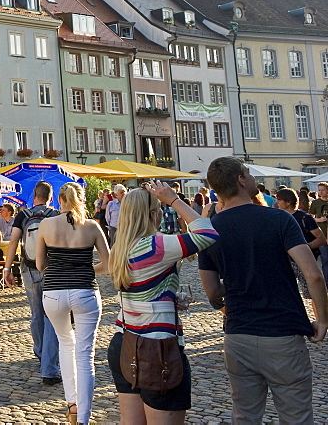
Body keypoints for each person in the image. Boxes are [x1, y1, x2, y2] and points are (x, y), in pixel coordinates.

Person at [199, 157, 327, 424]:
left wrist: (238, 285)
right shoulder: (278, 219)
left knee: (245, 415)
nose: (251, 175)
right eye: (247, 171)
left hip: (238, 333)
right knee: (296, 416)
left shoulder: (210, 230)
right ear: (241, 180)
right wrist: (324, 319)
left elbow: (211, 292)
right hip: (282, 334)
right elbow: (313, 274)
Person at [108, 181, 218, 423]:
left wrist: (166, 297)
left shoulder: (120, 248)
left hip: (124, 339)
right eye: (159, 208)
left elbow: (139, 288)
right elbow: (207, 234)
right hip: (157, 347)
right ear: (153, 214)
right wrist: (175, 200)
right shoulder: (156, 245)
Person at [35, 183, 109, 425]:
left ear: (59, 199)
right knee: (85, 354)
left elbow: (40, 265)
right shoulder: (92, 227)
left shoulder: (46, 224)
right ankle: (84, 418)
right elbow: (107, 265)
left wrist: (62, 267)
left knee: (66, 343)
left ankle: (72, 405)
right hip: (85, 291)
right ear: (81, 199)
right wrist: (86, 268)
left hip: (54, 292)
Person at [4, 180, 60, 385]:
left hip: (29, 269)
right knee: (51, 315)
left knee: (36, 313)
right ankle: (49, 356)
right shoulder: (55, 216)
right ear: (50, 197)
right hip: (51, 269)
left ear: (34, 196)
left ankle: (40, 351)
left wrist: (7, 269)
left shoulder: (23, 215)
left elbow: (13, 241)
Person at [275, 188, 326, 300]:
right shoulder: (277, 217)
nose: (277, 202)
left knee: (313, 293)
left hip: (305, 260)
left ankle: (320, 316)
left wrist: (305, 248)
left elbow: (321, 238)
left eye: (279, 199)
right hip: (285, 261)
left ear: (288, 202)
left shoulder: (304, 218)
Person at [309, 182, 328, 289]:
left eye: (323, 190)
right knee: (325, 260)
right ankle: (326, 281)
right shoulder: (316, 203)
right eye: (319, 190)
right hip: (322, 234)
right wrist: (318, 219)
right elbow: (310, 217)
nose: (321, 192)